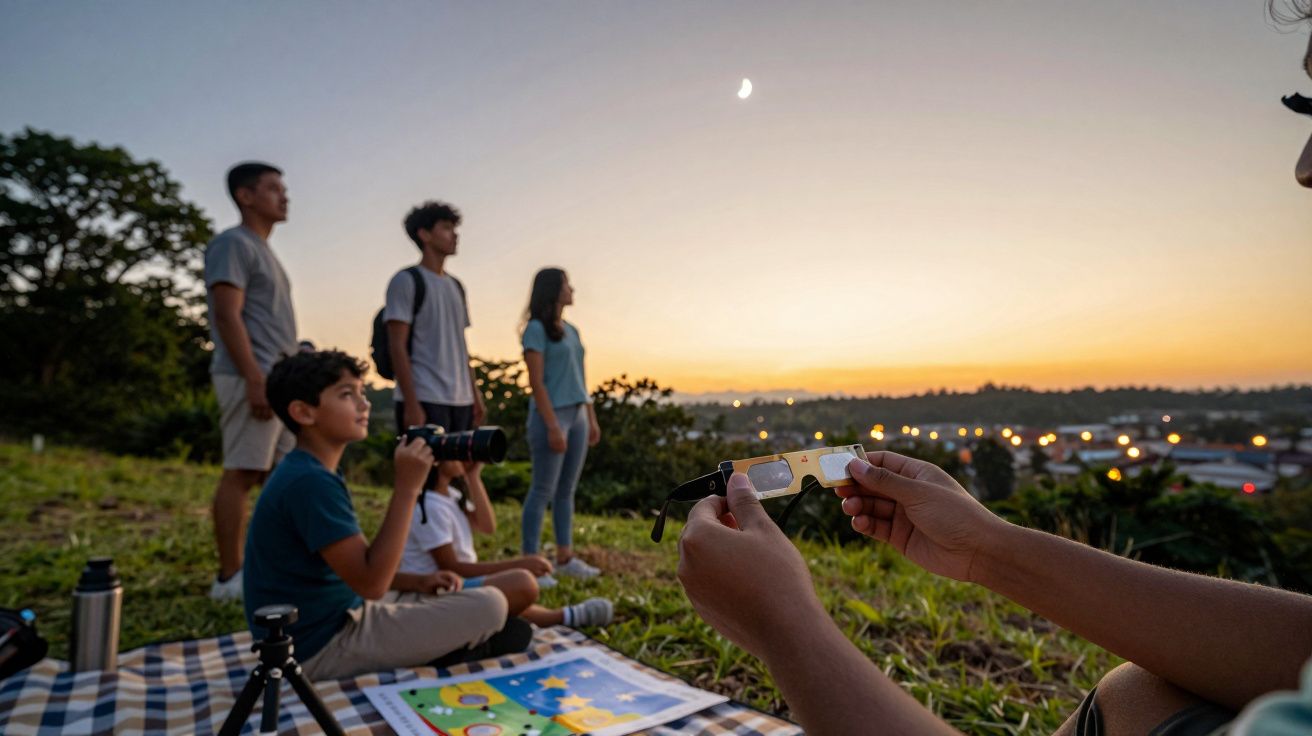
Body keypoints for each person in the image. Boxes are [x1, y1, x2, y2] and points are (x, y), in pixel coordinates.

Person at [243, 350, 528, 680]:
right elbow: (372, 583)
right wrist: (407, 488)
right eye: (347, 394)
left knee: (479, 597)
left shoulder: (308, 472)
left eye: (362, 393)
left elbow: (357, 569)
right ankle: (456, 650)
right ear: (304, 412)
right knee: (490, 605)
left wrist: (419, 581)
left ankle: (451, 642)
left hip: (338, 615)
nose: (363, 404)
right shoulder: (310, 482)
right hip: (318, 648)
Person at [204, 162, 298, 601]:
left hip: (277, 381)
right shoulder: (232, 244)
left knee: (283, 476)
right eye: (273, 188)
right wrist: (254, 378)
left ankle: (274, 567)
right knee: (242, 472)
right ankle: (229, 577)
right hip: (250, 377)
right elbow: (227, 314)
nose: (284, 196)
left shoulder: (266, 251)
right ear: (245, 196)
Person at [394, 458, 615, 628]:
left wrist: (474, 477)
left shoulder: (449, 495)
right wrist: (518, 564)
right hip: (432, 592)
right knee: (521, 583)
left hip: (458, 584)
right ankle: (562, 616)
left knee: (512, 587)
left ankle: (563, 616)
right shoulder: (429, 506)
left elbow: (487, 526)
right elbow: (452, 568)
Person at [520, 268, 602, 584]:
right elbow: (536, 382)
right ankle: (531, 562)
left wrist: (591, 418)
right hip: (550, 416)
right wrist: (553, 426)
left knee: (567, 490)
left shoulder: (572, 330)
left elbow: (582, 378)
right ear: (553, 290)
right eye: (568, 284)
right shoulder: (535, 330)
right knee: (542, 489)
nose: (573, 289)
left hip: (579, 414)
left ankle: (565, 557)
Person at [385, 200, 485, 440]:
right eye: (446, 228)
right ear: (425, 235)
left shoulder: (456, 286)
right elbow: (397, 345)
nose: (455, 235)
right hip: (425, 395)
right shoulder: (406, 280)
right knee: (426, 474)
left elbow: (461, 347)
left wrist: (475, 395)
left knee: (455, 474)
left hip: (460, 399)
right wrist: (411, 403)